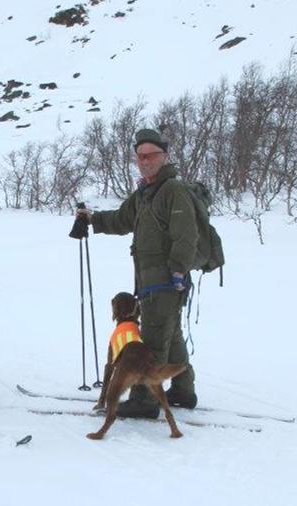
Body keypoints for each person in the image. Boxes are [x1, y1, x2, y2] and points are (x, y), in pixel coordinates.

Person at [77, 128, 198, 419]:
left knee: (155, 340)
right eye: (140, 156)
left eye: (151, 155)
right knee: (173, 335)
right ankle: (183, 389)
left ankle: (144, 401)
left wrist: (179, 270)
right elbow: (121, 219)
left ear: (164, 156)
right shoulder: (144, 193)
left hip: (167, 279)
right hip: (149, 280)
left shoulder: (173, 190)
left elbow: (186, 235)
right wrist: (93, 219)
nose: (145, 161)